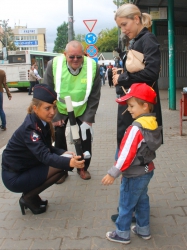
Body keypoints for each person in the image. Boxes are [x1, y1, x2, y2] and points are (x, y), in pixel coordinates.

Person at [111, 3, 163, 221]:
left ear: (136, 19)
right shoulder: (138, 41)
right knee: (133, 165)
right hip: (133, 109)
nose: (123, 29)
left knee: (129, 163)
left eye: (124, 24)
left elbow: (151, 72)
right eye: (120, 26)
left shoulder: (147, 40)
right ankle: (135, 211)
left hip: (140, 112)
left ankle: (129, 213)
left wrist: (122, 78)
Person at [1, 84, 85, 215]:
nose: (52, 112)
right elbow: (44, 156)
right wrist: (69, 162)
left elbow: (47, 148)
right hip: (14, 177)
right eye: (47, 108)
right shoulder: (31, 128)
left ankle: (32, 195)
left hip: (24, 168)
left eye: (54, 107)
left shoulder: (40, 121)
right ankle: (28, 197)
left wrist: (63, 153)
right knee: (62, 168)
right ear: (35, 108)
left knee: (62, 164)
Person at [102, 83, 162, 244]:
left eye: (131, 105)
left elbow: (126, 154)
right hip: (147, 171)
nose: (128, 109)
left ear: (144, 106)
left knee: (126, 203)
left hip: (134, 174)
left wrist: (113, 172)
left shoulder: (135, 128)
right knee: (142, 200)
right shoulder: (153, 123)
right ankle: (143, 229)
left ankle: (122, 233)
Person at [44, 40, 101, 182]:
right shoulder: (54, 65)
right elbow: (46, 91)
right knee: (58, 138)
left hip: (83, 109)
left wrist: (88, 118)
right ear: (65, 55)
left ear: (84, 54)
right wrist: (54, 116)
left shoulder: (93, 66)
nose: (75, 60)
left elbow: (95, 95)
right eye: (71, 57)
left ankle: (82, 168)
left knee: (85, 138)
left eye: (79, 56)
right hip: (60, 109)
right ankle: (62, 171)